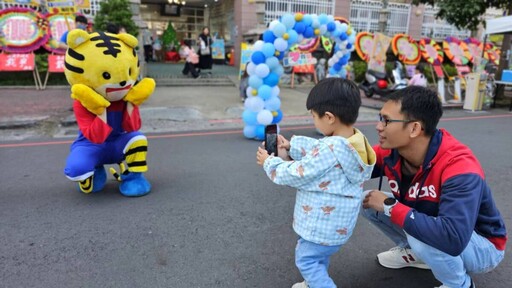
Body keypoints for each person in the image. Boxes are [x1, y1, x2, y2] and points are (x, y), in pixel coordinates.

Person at [362, 86, 507, 288]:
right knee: (366, 199)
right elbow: (351, 164)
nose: (378, 126)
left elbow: (452, 237)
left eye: (386, 120)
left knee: (425, 234)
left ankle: (459, 284)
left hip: (482, 247)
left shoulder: (459, 166)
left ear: (414, 128)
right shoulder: (392, 152)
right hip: (435, 225)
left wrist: (390, 205)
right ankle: (417, 254)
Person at [256, 78, 376, 288]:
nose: (313, 121)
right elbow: (320, 148)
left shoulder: (329, 149)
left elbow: (298, 173)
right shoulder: (355, 141)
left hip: (321, 224)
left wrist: (270, 162)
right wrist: (291, 145)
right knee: (319, 257)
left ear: (329, 117)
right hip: (338, 225)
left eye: (314, 116)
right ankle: (314, 282)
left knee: (307, 259)